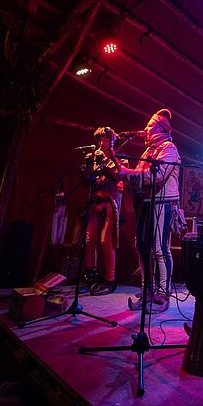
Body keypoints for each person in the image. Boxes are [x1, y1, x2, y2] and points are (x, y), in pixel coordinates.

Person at [116, 109, 181, 314]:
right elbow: (140, 175)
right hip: (145, 202)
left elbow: (157, 176)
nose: (145, 130)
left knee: (160, 247)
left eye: (150, 127)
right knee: (141, 246)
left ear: (161, 129)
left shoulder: (169, 148)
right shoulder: (148, 151)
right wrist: (125, 171)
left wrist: (126, 173)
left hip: (163, 202)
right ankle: (147, 291)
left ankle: (163, 294)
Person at [78, 127, 123, 296]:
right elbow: (87, 181)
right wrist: (86, 167)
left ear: (111, 141)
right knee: (89, 240)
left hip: (109, 203)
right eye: (99, 140)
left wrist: (105, 159)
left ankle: (109, 280)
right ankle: (90, 276)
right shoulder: (95, 158)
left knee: (105, 241)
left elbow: (119, 176)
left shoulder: (119, 160)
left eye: (104, 139)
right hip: (94, 203)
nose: (101, 143)